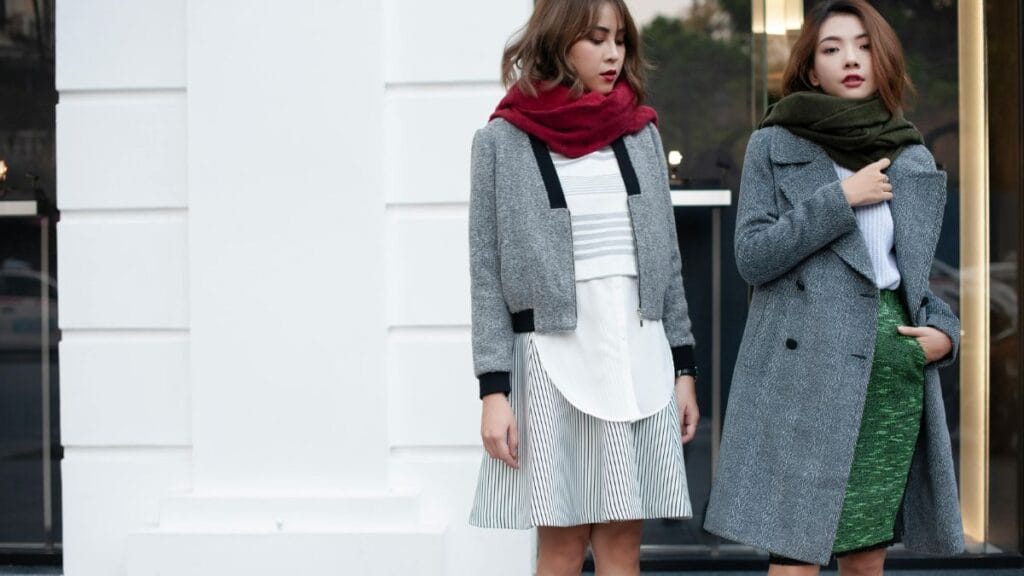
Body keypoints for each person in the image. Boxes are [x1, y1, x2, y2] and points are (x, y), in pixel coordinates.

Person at [704, 1, 963, 573]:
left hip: (888, 374)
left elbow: (913, 276)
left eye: (864, 45)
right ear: (810, 68)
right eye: (832, 48)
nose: (851, 58)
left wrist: (945, 336)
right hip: (804, 380)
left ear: (884, 58)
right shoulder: (773, 145)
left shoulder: (912, 156)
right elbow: (752, 257)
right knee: (793, 561)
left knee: (866, 559)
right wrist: (839, 200)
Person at [466, 0, 700, 574]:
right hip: (551, 358)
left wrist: (684, 369)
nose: (613, 53)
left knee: (622, 542)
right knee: (563, 544)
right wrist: (493, 391)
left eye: (619, 38)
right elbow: (485, 272)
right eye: (597, 38)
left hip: (635, 353)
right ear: (559, 40)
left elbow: (666, 259)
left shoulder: (639, 133)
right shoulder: (501, 141)